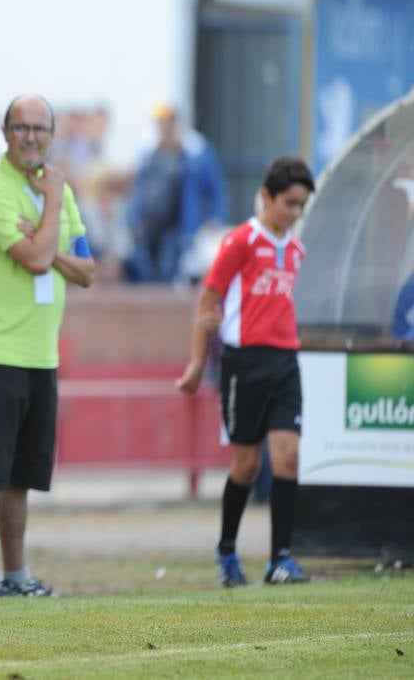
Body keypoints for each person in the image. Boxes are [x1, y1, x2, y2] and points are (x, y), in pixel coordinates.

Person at [0, 94, 94, 598]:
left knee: (21, 474)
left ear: (52, 134)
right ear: (6, 133)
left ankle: (17, 575)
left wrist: (45, 238)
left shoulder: (59, 192)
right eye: (21, 127)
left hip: (41, 353)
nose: (31, 136)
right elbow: (35, 261)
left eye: (40, 128)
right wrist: (53, 207)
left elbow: (87, 270)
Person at [176, 156, 315, 587]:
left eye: (301, 207)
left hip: (284, 361)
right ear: (267, 197)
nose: (294, 214)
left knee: (288, 456)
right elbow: (208, 302)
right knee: (246, 465)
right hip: (243, 363)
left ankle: (281, 559)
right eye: (289, 204)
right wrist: (199, 363)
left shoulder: (295, 249)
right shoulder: (240, 242)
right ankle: (227, 552)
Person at [127, 103, 229, 284]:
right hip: (149, 226)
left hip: (177, 226)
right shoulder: (149, 151)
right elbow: (139, 188)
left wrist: (215, 218)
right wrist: (135, 216)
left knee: (168, 270)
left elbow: (216, 188)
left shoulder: (196, 152)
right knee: (147, 272)